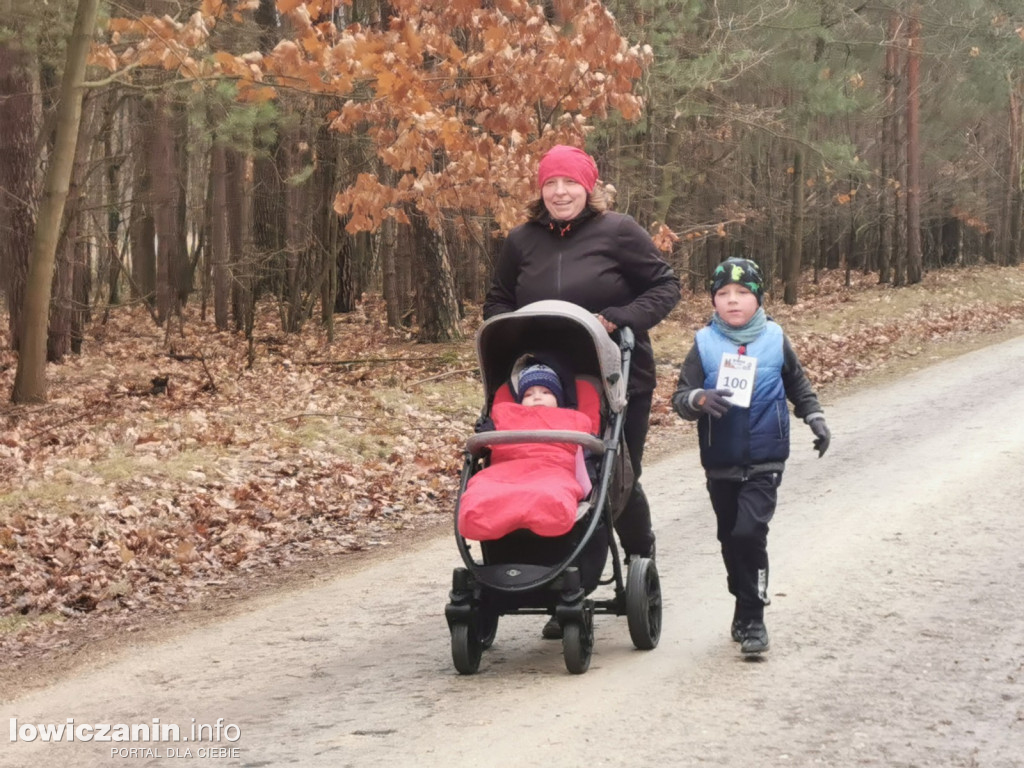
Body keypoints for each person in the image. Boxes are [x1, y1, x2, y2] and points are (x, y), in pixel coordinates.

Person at [483, 144, 680, 577]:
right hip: (544, 380)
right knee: (544, 470)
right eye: (550, 182)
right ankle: (559, 575)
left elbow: (665, 288)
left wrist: (619, 318)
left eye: (570, 182)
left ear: (588, 188)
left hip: (616, 374)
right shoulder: (521, 240)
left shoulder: (619, 231)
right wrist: (506, 330)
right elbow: (498, 298)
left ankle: (637, 555)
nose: (560, 192)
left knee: (614, 472)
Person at [671, 257, 830, 656]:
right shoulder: (703, 343)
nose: (733, 301)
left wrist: (814, 417)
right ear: (713, 300)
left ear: (758, 298)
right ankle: (742, 599)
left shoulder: (775, 338)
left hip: (765, 456)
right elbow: (679, 398)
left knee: (749, 533)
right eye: (723, 294)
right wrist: (699, 399)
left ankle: (754, 619)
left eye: (743, 293)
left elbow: (797, 383)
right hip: (720, 459)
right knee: (730, 537)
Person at [458, 363, 595, 542]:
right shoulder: (506, 416)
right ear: (520, 401)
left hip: (553, 468)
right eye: (529, 394)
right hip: (506, 468)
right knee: (481, 490)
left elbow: (591, 450)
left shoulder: (573, 420)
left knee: (552, 492)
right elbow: (486, 446)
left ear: (559, 399)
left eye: (546, 392)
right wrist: (486, 433)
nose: (537, 398)